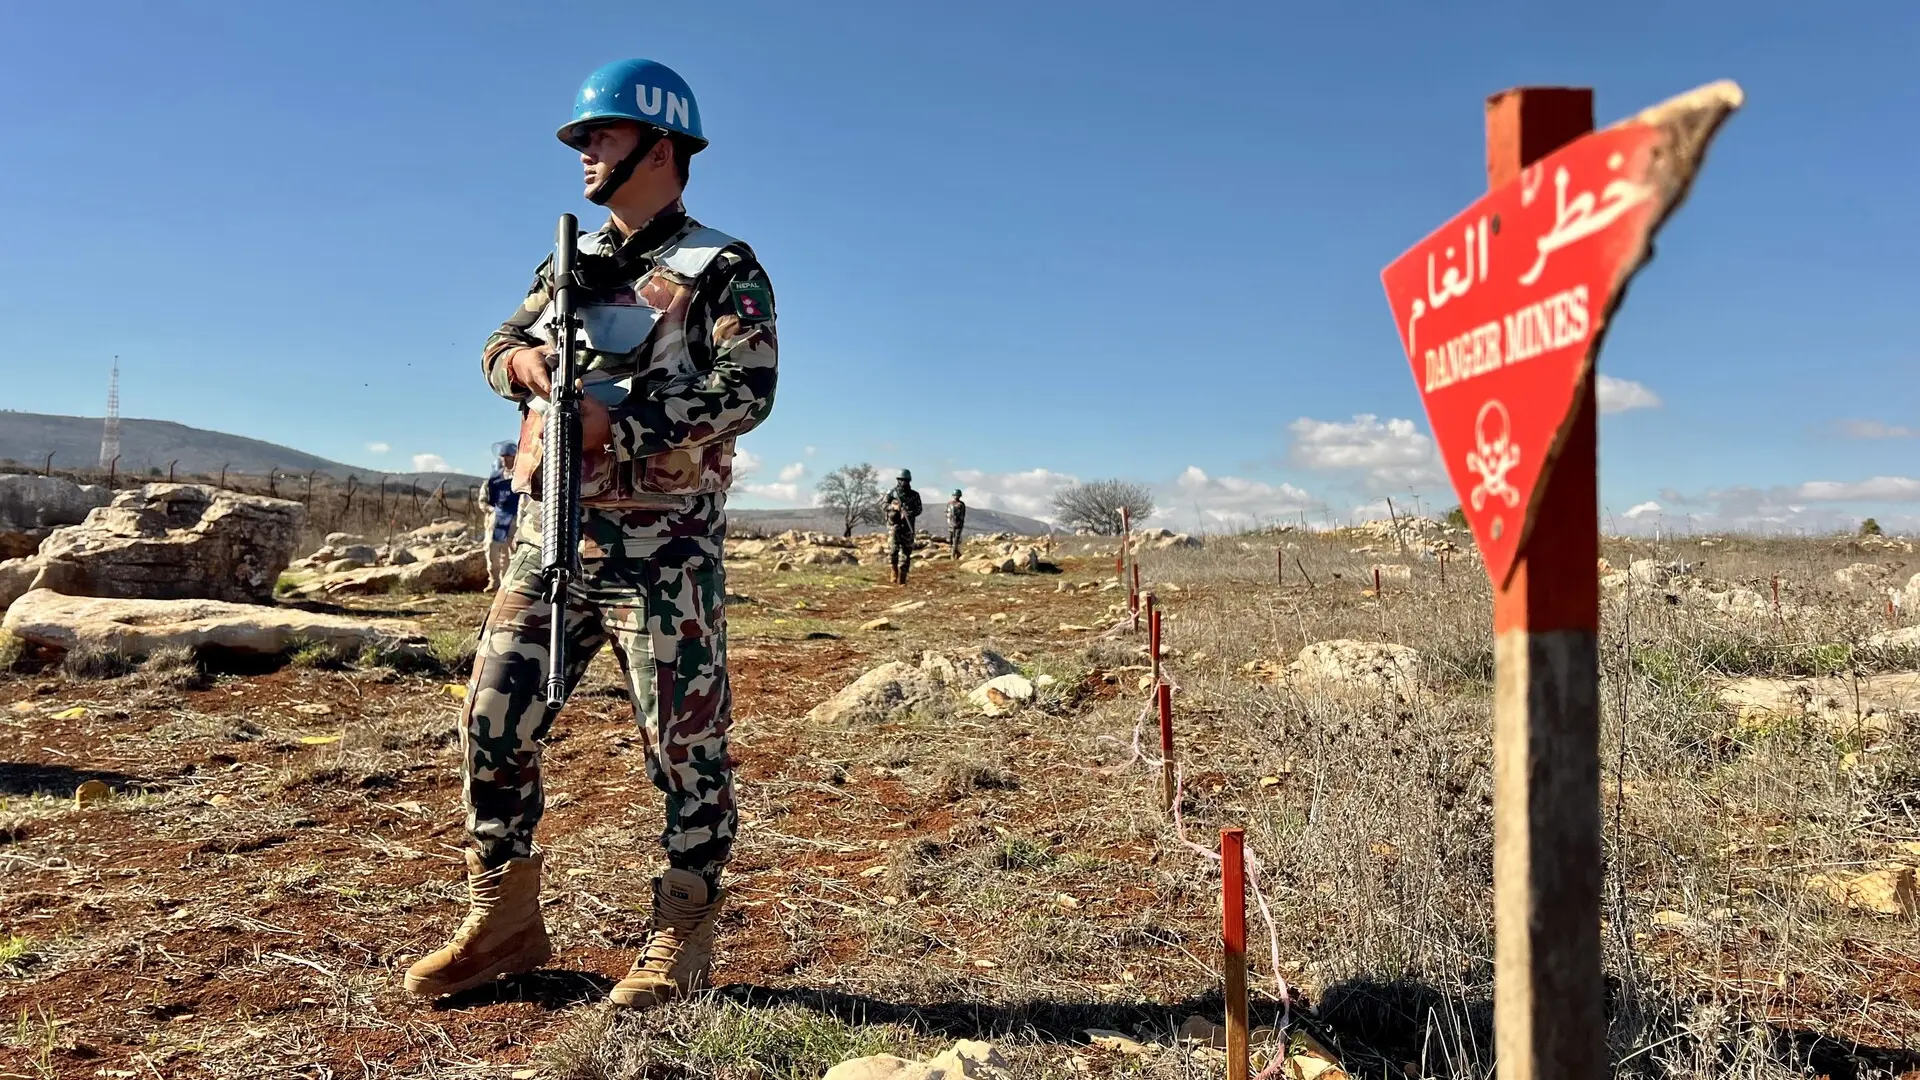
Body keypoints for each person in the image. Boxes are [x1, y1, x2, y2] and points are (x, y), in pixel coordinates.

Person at [403, 58, 778, 1010]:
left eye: (600, 137)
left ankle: (682, 932)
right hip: (550, 534)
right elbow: (498, 342)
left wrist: (624, 424)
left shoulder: (723, 267)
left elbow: (749, 389)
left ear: (661, 147)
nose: (583, 154)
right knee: (492, 722)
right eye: (581, 140)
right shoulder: (567, 263)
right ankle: (504, 921)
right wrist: (521, 361)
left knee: (685, 748)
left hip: (664, 548)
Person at [483, 442, 520, 591]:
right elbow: (490, 498)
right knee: (492, 549)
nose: (506, 460)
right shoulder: (496, 478)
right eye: (504, 457)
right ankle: (493, 580)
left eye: (509, 457)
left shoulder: (520, 476)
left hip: (515, 518)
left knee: (510, 552)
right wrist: (492, 511)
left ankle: (507, 583)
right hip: (498, 518)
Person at [884, 470, 922, 585]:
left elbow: (919, 509)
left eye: (905, 480)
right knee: (893, 550)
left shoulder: (914, 495)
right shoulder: (891, 492)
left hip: (907, 526)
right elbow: (883, 505)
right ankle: (894, 569)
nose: (903, 482)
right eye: (901, 480)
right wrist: (894, 506)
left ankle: (903, 577)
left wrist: (909, 513)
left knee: (906, 551)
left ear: (909, 481)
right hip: (894, 525)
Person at [946, 489, 966, 559]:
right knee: (950, 540)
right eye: (955, 495)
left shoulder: (961, 504)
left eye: (957, 496)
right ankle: (957, 554)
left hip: (958, 525)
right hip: (951, 525)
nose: (956, 497)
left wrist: (959, 522)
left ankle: (952, 556)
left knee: (955, 541)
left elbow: (962, 515)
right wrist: (948, 519)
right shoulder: (949, 504)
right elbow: (946, 512)